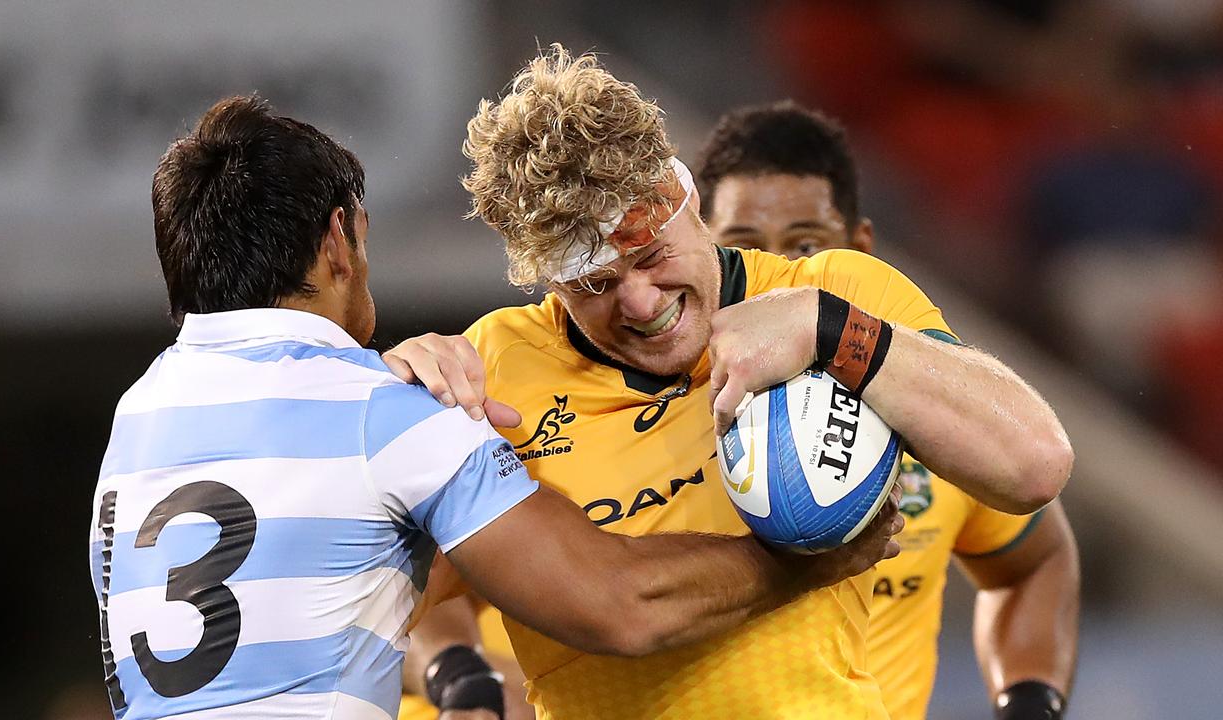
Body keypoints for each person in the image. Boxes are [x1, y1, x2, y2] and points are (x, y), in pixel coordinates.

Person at [86, 95, 906, 720]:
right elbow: (620, 604)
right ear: (339, 239)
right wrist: (817, 557)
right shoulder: (389, 414)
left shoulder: (135, 426)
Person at [398, 45, 1073, 719]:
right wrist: (378, 416)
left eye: (651, 255)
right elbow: (384, 604)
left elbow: (1033, 466)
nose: (640, 303)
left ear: (685, 197)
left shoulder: (831, 293)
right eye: (594, 285)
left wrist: (826, 330)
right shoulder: (493, 370)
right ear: (547, 280)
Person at [697, 100, 1080, 720]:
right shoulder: (655, 409)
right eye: (746, 249)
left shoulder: (936, 420)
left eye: (805, 245)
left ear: (858, 249)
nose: (780, 277)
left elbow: (1035, 561)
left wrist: (1028, 701)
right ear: (704, 252)